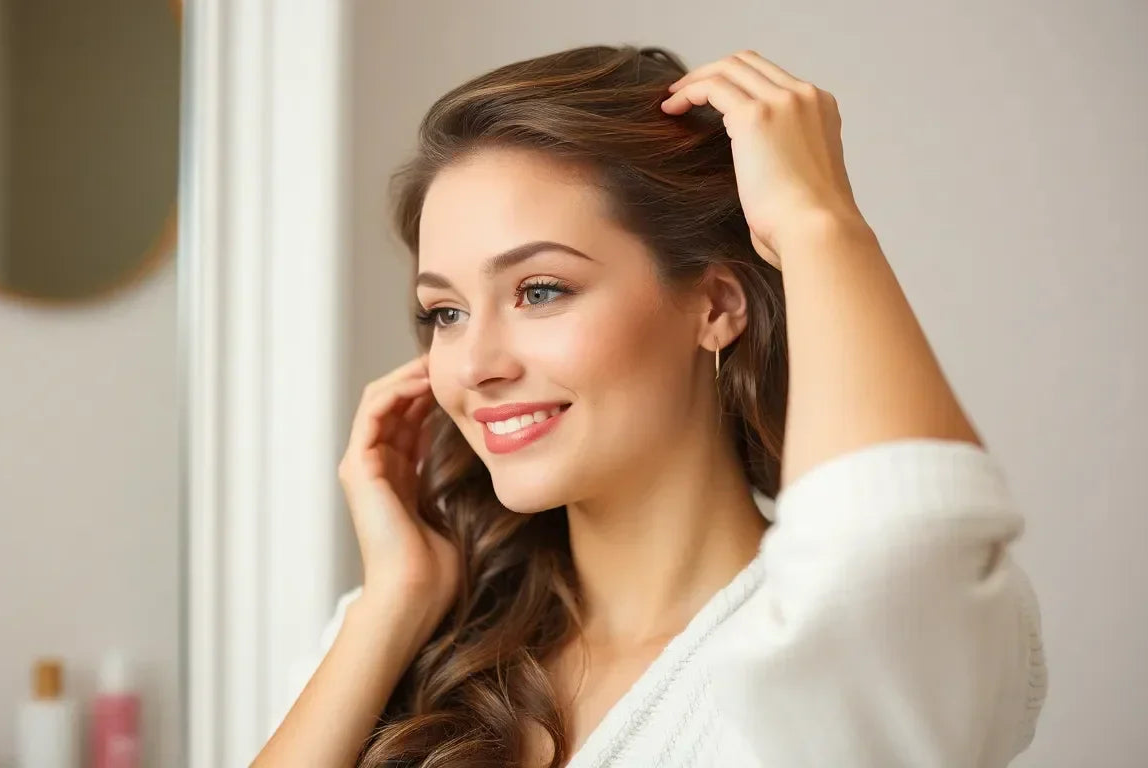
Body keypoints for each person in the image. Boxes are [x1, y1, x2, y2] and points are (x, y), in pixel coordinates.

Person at [252, 44, 1047, 767]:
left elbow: (894, 550)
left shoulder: (898, 641)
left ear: (715, 305)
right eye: (446, 313)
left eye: (539, 291)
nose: (475, 367)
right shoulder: (415, 642)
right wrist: (393, 604)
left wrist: (819, 223)